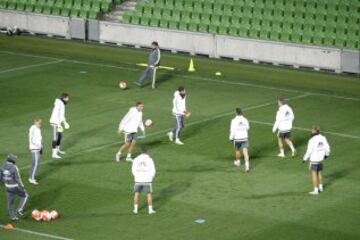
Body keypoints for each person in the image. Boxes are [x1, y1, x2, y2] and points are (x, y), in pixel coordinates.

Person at [0, 154, 29, 221]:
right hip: (15, 187)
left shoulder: (2, 166)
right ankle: (19, 209)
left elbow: (0, 177)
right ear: (12, 160)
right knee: (25, 196)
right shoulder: (14, 167)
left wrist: (2, 182)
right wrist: (22, 186)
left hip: (7, 187)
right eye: (14, 159)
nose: (15, 160)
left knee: (10, 203)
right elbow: (18, 178)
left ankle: (13, 217)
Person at [303, 126, 330, 195]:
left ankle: (316, 190)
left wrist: (305, 159)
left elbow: (309, 151)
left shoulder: (312, 140)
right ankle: (321, 187)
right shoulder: (323, 138)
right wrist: (326, 155)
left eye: (312, 131)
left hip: (314, 160)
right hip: (320, 160)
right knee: (319, 173)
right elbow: (327, 147)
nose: (311, 132)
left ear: (315, 132)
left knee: (314, 175)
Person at [131, 145, 156, 215]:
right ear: (147, 151)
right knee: (149, 194)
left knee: (136, 194)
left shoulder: (136, 159)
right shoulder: (150, 159)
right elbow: (153, 171)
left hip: (138, 179)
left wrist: (136, 176)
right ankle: (150, 210)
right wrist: (150, 178)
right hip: (147, 180)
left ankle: (135, 209)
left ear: (141, 151)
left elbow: (133, 170)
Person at [50, 93, 70, 159]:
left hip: (58, 122)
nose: (68, 99)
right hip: (55, 122)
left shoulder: (61, 104)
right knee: (55, 138)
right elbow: (56, 114)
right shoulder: (59, 103)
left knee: (60, 136)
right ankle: (54, 153)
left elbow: (61, 115)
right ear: (64, 98)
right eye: (67, 98)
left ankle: (57, 150)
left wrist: (65, 122)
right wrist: (58, 124)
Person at [29, 119, 43, 185]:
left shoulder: (38, 129)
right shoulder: (33, 129)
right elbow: (31, 139)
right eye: (39, 124)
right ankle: (32, 179)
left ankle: (30, 177)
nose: (40, 125)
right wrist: (36, 145)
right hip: (35, 148)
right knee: (36, 164)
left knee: (33, 163)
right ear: (35, 123)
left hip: (38, 148)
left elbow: (39, 139)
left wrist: (41, 147)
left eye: (40, 124)